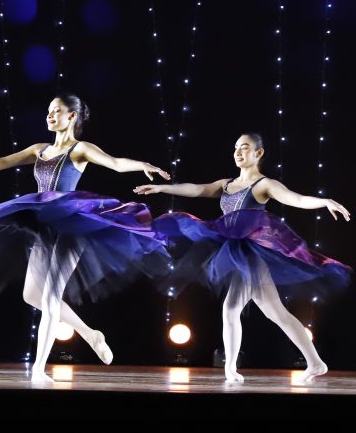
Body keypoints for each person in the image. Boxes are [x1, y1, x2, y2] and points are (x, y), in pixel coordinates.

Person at [0, 93, 172, 382]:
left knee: (50, 296)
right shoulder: (40, 149)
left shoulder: (79, 149)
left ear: (72, 116)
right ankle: (90, 333)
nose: (49, 116)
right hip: (42, 225)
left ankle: (38, 368)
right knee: (31, 295)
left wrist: (143, 165)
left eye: (57, 111)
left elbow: (115, 163)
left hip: (70, 226)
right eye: (48, 111)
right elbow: (2, 161)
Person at [134, 132, 352, 382]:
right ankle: (315, 362)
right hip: (235, 250)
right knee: (276, 312)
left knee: (231, 308)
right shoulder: (227, 184)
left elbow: (296, 199)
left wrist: (323, 202)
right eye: (236, 148)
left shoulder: (264, 185)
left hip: (248, 253)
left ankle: (230, 369)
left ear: (258, 153)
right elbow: (197, 189)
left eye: (245, 148)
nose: (238, 152)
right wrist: (162, 187)